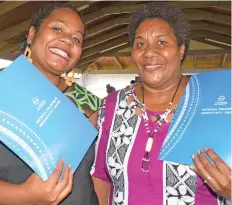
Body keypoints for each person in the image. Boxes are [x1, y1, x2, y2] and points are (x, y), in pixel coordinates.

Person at [91, 2, 231, 205]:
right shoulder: (112, 106)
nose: (149, 52)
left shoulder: (214, 101)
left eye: (162, 42)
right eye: (140, 44)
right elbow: (101, 176)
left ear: (181, 50)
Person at [0, 2, 100, 205]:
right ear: (31, 34)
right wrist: (25, 195)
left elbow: (91, 176)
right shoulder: (4, 89)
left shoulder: (87, 104)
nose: (67, 41)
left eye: (76, 38)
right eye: (57, 29)